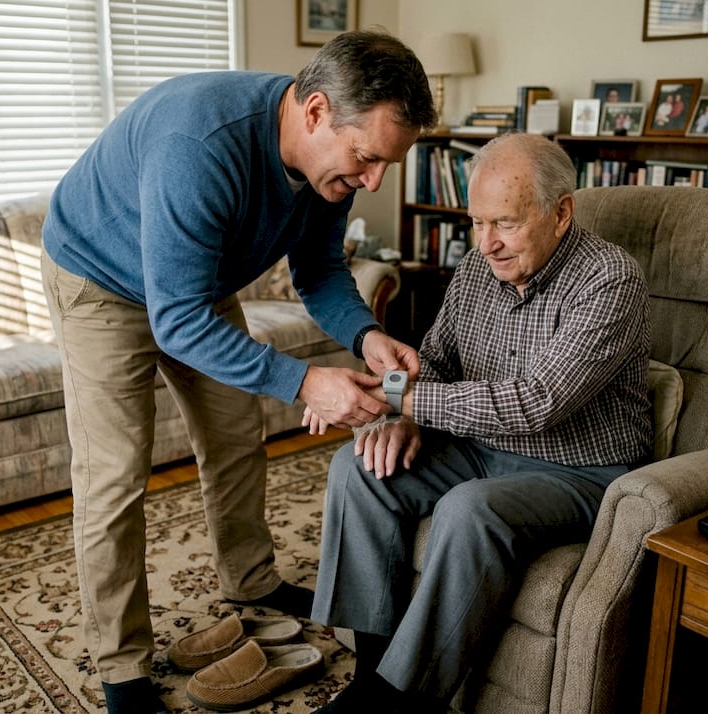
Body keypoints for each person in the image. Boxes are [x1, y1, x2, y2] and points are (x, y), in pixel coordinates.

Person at [40, 30, 436, 714]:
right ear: (315, 113)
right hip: (98, 279)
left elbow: (317, 269)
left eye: (385, 166)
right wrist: (308, 383)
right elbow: (176, 322)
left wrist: (367, 336)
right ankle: (123, 669)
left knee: (234, 436)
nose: (372, 182)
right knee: (113, 475)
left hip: (196, 281)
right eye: (367, 159)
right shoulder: (202, 144)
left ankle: (251, 582)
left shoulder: (328, 167)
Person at [306, 133, 651, 713]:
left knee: (470, 508)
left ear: (561, 212)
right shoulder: (476, 268)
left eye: (505, 224)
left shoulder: (610, 281)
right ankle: (371, 672)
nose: (486, 243)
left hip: (581, 470)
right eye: (476, 222)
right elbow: (435, 362)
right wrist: (395, 407)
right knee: (358, 465)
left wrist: (397, 403)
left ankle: (400, 703)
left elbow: (536, 403)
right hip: (480, 446)